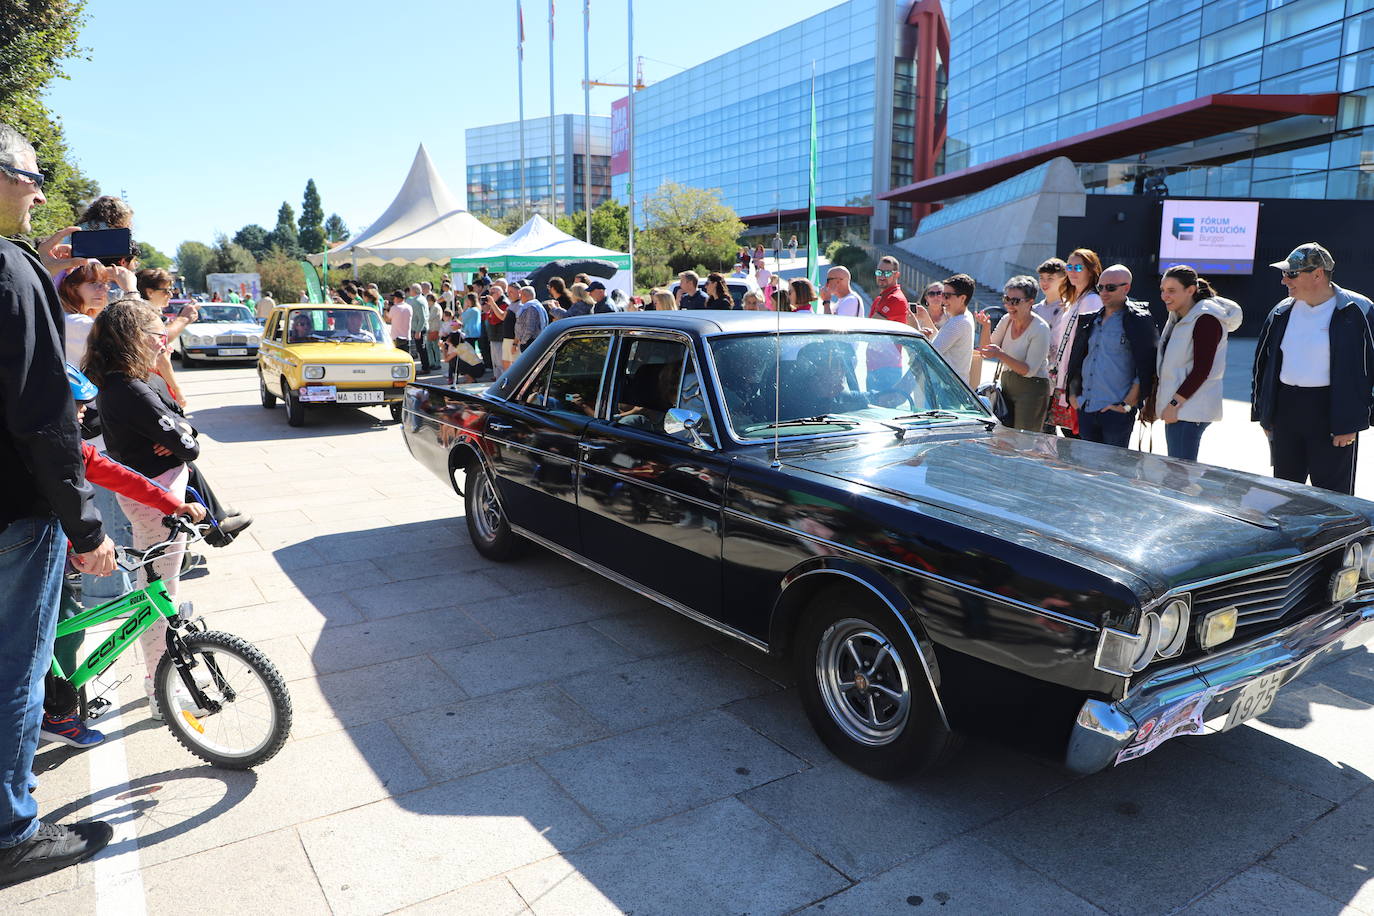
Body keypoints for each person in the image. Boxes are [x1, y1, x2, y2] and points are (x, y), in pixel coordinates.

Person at [0, 122, 117, 883]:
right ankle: (12, 831)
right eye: (30, 172)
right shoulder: (13, 272)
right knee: (16, 668)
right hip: (16, 512)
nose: (41, 188)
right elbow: (44, 416)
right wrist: (86, 525)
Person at [43, 365, 208, 748]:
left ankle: (57, 710)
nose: (86, 412)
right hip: (31, 550)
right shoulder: (42, 447)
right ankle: (51, 714)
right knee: (47, 633)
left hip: (53, 548)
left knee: (67, 628)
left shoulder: (72, 444)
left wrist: (173, 504)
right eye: (79, 405)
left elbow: (117, 474)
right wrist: (80, 546)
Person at [85, 299, 202, 717]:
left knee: (158, 593)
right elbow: (189, 444)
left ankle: (163, 682)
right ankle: (161, 691)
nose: (163, 340)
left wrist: (180, 434)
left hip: (150, 498)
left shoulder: (125, 382)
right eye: (157, 333)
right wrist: (181, 438)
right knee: (158, 599)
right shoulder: (132, 389)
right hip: (155, 504)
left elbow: (182, 428)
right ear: (135, 338)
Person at [1252, 242, 1374, 494]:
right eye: (1284, 273)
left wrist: (1353, 420)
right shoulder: (1281, 311)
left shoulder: (1358, 310)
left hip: (1332, 412)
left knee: (1333, 498)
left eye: (1291, 274)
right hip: (1286, 412)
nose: (1284, 280)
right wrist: (1264, 412)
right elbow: (1262, 365)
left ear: (1318, 274)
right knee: (1284, 492)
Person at [1146, 265, 1243, 461]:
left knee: (1179, 475)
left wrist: (1173, 404)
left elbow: (1202, 370)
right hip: (1180, 410)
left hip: (1189, 412)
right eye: (1163, 290)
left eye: (1171, 291)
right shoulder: (1179, 315)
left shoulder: (1206, 319)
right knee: (1177, 473)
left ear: (1190, 290)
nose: (1165, 296)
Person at [1064, 264, 1158, 448]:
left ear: (1126, 288)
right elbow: (1077, 360)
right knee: (1087, 471)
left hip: (1116, 412)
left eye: (1111, 287)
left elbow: (1147, 366)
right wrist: (1074, 396)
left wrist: (1127, 404)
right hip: (1087, 408)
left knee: (1113, 472)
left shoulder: (1139, 320)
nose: (1104, 292)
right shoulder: (1090, 319)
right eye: (1100, 287)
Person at [975, 276, 1052, 431]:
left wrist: (1001, 355)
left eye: (1015, 301)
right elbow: (986, 351)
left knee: (1024, 441)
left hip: (1032, 389)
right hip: (1008, 384)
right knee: (1004, 437)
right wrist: (985, 326)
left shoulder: (1040, 328)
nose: (1009, 305)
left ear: (1030, 302)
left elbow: (1028, 371)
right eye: (1006, 299)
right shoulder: (1006, 320)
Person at [1047, 248, 1104, 436]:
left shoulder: (1092, 300)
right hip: (1066, 383)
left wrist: (1074, 388)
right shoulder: (1075, 300)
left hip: (1077, 386)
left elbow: (1087, 348)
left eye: (1078, 267)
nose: (1071, 271)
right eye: (1069, 266)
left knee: (1077, 443)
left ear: (1091, 270)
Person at [58, 262, 135, 366]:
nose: (104, 289)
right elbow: (134, 333)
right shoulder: (78, 323)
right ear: (72, 286)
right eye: (93, 283)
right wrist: (131, 291)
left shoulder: (67, 318)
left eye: (105, 283)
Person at [927, 275, 977, 383]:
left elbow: (930, 354)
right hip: (954, 386)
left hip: (947, 388)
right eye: (943, 294)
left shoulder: (957, 323)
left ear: (963, 298)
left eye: (947, 296)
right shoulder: (966, 316)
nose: (943, 300)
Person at [1033, 258, 1065, 332]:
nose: (1044, 282)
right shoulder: (1035, 309)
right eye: (1041, 278)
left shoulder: (1067, 309)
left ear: (1063, 281)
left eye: (1050, 278)